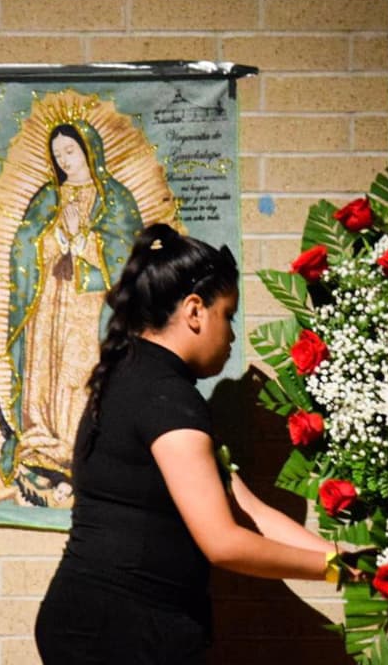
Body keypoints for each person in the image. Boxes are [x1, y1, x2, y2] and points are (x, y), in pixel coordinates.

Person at [34, 224, 360, 664]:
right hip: (120, 632)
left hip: (103, 622)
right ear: (194, 311)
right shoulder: (165, 397)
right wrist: (331, 569)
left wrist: (344, 558)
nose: (230, 335)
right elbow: (222, 542)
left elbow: (248, 511)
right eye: (227, 315)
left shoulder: (142, 379)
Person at [3, 123, 144, 504]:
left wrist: (83, 240)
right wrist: (57, 238)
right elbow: (24, 244)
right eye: (59, 153)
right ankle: (44, 445)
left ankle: (78, 446)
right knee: (47, 369)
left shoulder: (114, 198)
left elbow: (128, 253)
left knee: (79, 369)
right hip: (50, 298)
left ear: (89, 150)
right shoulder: (48, 197)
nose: (65, 159)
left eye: (71, 150)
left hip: (90, 301)